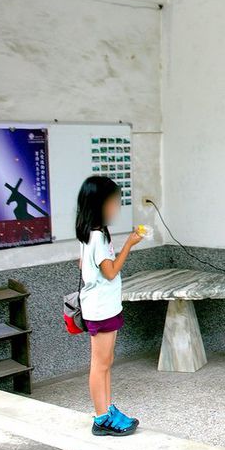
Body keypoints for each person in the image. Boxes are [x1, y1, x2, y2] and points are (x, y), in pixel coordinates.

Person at [75, 175, 143, 436]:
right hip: (101, 308)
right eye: (114, 202)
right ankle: (102, 417)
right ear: (100, 204)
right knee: (100, 364)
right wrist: (129, 244)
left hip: (101, 306)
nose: (117, 207)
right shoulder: (98, 237)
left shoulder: (88, 233)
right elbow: (111, 272)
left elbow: (84, 265)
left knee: (105, 361)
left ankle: (106, 409)